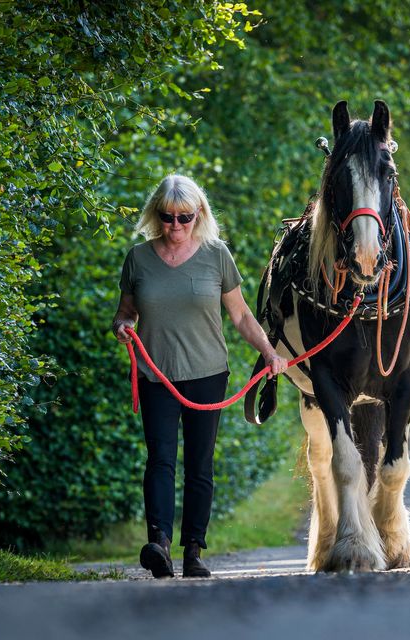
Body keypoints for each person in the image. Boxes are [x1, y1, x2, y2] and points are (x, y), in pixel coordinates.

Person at [111, 175, 288, 578]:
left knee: (199, 464)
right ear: (156, 215)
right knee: (159, 459)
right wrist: (122, 326)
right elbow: (126, 312)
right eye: (167, 217)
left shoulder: (216, 255)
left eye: (184, 217)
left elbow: (241, 315)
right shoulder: (138, 259)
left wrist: (269, 352)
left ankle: (193, 550)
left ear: (199, 214)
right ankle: (158, 543)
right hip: (156, 375)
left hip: (208, 373)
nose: (175, 226)